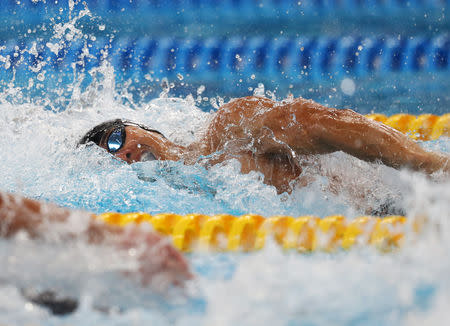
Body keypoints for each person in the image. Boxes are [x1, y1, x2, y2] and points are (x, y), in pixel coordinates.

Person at [80, 96, 449, 203]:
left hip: (392, 195)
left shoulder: (220, 131)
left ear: (134, 126)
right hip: (370, 224)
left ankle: (435, 165)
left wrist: (425, 163)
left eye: (116, 139)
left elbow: (311, 121)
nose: (122, 154)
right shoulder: (171, 194)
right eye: (112, 159)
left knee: (300, 118)